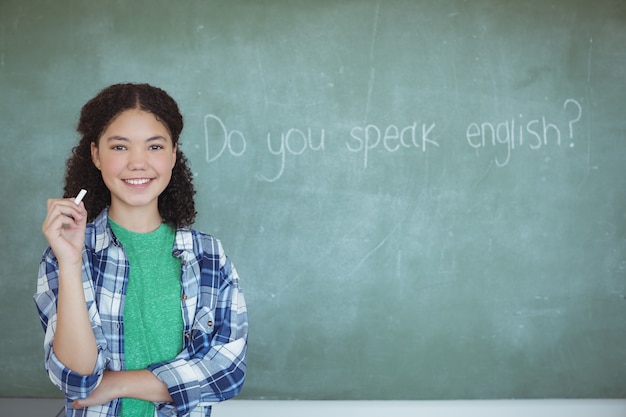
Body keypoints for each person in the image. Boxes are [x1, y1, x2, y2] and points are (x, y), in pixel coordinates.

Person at [33, 83, 248, 417]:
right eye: (119, 147)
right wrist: (71, 262)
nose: (137, 163)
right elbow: (78, 381)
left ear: (174, 154)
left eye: (154, 146)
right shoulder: (65, 254)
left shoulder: (208, 255)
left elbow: (226, 373)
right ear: (96, 155)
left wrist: (116, 383)